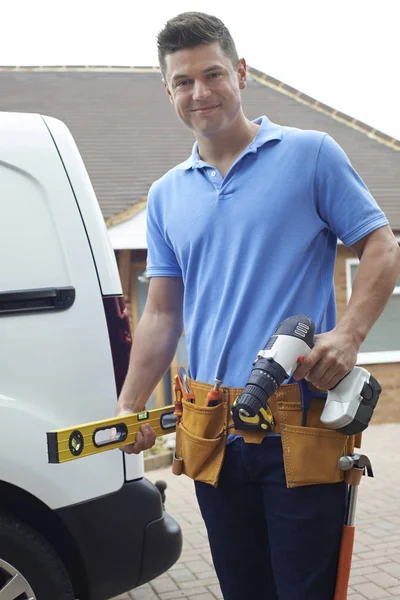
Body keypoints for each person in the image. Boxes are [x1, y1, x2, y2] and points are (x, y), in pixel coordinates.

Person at [116, 11, 400, 600]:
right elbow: (164, 313)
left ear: (241, 73)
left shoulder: (310, 155)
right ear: (167, 90)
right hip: (211, 428)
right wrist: (130, 405)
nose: (200, 92)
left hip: (299, 422)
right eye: (183, 82)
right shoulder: (167, 194)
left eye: (212, 74)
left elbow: (381, 244)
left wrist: (347, 335)